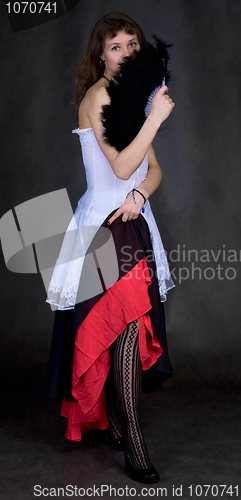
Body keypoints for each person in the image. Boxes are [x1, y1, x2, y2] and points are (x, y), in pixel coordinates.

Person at [46, 12, 175, 484]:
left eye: (132, 45)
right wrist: (155, 117)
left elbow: (150, 170)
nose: (125, 53)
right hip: (103, 229)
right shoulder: (98, 97)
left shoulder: (132, 97)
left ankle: (121, 427)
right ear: (100, 54)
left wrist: (142, 196)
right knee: (121, 326)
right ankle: (133, 443)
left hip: (133, 222)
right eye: (116, 46)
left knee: (131, 328)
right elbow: (121, 168)